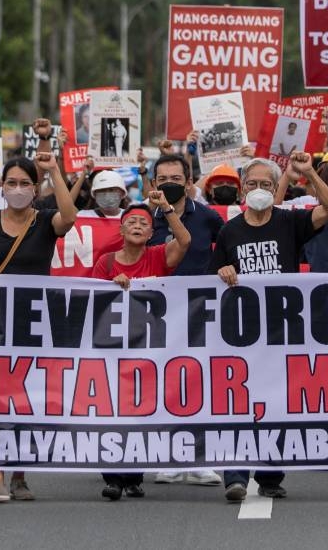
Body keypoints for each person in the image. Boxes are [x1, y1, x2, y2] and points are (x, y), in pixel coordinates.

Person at [210, 153, 328, 501]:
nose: (259, 189)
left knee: (278, 404)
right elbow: (213, 279)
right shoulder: (229, 231)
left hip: (283, 331)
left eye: (266, 184)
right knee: (238, 403)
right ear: (242, 189)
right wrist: (223, 273)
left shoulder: (289, 222)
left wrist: (309, 173)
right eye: (252, 184)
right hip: (241, 333)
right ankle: (235, 475)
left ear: (275, 188)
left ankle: (270, 474)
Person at [0, 154, 77, 503]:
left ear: (35, 188)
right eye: (10, 183)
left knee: (27, 400)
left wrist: (55, 171)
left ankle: (19, 475)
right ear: (1, 186)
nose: (17, 189)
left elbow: (69, 217)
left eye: (24, 183)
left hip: (36, 323)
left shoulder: (44, 222)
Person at [92, 195, 192, 500]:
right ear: (121, 230)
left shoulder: (160, 256)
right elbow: (91, 304)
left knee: (142, 413)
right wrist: (111, 288)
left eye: (144, 223)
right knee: (111, 413)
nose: (137, 226)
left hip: (151, 352)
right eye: (131, 222)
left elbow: (185, 240)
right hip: (113, 350)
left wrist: (167, 210)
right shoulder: (105, 263)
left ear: (151, 234)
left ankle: (134, 476)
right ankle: (112, 477)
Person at [146, 154, 225, 486]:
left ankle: (199, 457)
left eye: (176, 178)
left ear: (189, 181)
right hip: (153, 314)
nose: (169, 184)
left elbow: (227, 251)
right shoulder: (141, 218)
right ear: (153, 183)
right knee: (161, 384)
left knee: (199, 383)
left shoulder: (208, 218)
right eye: (162, 178)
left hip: (200, 311)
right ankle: (167, 455)